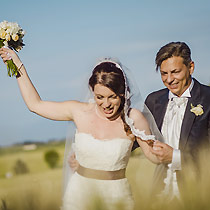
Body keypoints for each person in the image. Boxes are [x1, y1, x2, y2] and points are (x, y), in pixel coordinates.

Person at [0, 48, 162, 210]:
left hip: (118, 198)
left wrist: (173, 155)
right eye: (100, 97)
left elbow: (153, 156)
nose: (106, 104)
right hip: (79, 196)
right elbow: (35, 105)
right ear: (92, 91)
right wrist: (17, 65)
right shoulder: (79, 111)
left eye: (112, 97)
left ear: (122, 93)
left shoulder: (133, 118)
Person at [141, 41, 210, 200]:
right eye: (164, 73)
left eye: (175, 72)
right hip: (159, 196)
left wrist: (175, 157)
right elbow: (135, 139)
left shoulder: (208, 99)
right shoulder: (153, 100)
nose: (169, 79)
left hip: (198, 194)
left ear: (191, 67)